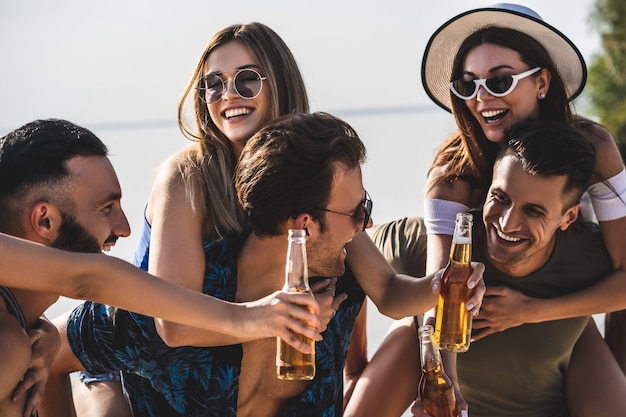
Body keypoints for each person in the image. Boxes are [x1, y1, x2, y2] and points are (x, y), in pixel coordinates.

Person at [40, 112, 485, 417]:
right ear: (304, 225)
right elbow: (45, 352)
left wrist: (445, 285)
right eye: (357, 210)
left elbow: (395, 295)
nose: (365, 223)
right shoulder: (166, 305)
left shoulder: (341, 290)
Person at [344, 4, 626, 417]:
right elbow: (441, 289)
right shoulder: (452, 177)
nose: (482, 98)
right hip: (450, 310)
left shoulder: (594, 150)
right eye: (468, 84)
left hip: (561, 302)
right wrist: (446, 386)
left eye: (500, 81)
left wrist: (532, 311)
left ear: (542, 81)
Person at [65, 22, 342, 417]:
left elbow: (364, 267)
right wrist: (281, 319)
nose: (228, 95)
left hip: (203, 373)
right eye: (214, 84)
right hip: (129, 364)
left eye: (247, 80)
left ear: (280, 83)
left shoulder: (307, 179)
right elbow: (173, 325)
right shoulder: (187, 177)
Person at [0, 118, 322, 417]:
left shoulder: (27, 338)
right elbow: (95, 278)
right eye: (106, 207)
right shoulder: (11, 345)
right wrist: (255, 317)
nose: (125, 228)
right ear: (45, 220)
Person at [410, 120, 626, 415]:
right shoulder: (428, 240)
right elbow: (357, 248)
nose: (507, 223)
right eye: (500, 198)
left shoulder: (588, 258)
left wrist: (530, 311)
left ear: (569, 217)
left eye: (534, 210)